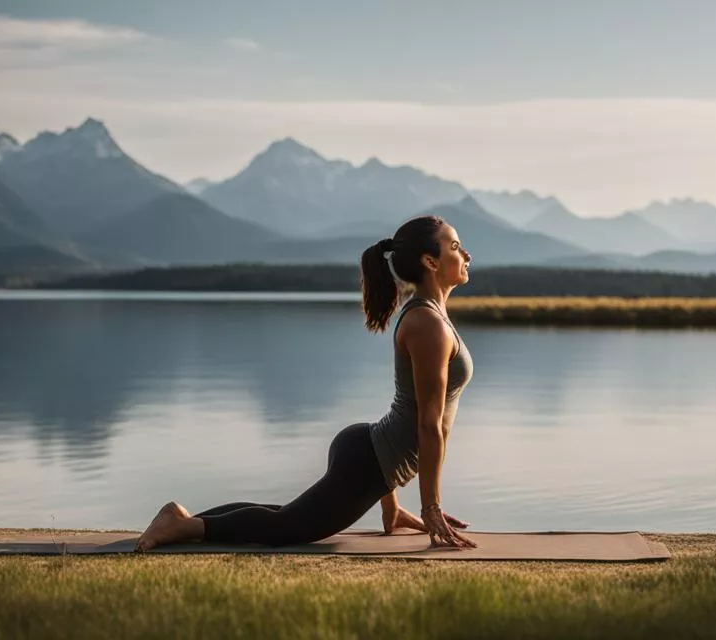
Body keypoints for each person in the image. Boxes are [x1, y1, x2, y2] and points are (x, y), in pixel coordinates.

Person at [134, 215, 477, 551]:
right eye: (456, 247)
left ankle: (181, 521)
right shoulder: (428, 324)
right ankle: (180, 526)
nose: (466, 256)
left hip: (371, 453)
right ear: (430, 261)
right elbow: (429, 425)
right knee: (286, 528)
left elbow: (416, 417)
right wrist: (430, 507)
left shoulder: (431, 316)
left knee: (290, 518)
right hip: (368, 463)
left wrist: (391, 506)